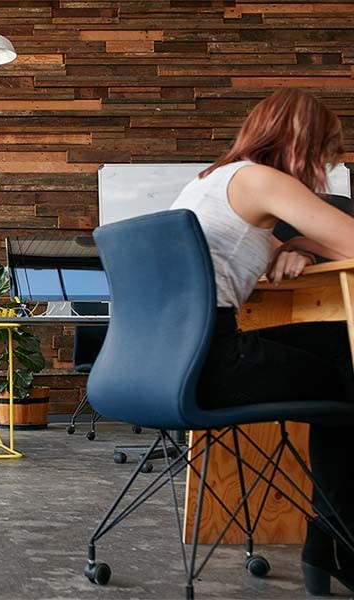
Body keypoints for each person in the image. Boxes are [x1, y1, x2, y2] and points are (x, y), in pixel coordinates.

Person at [170, 88, 354, 596]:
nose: (329, 162)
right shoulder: (260, 178)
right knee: (348, 364)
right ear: (302, 139)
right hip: (214, 363)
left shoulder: (214, 182)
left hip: (173, 362)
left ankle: (334, 542)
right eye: (328, 149)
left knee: (341, 349)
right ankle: (336, 543)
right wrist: (301, 241)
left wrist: (295, 244)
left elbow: (281, 246)